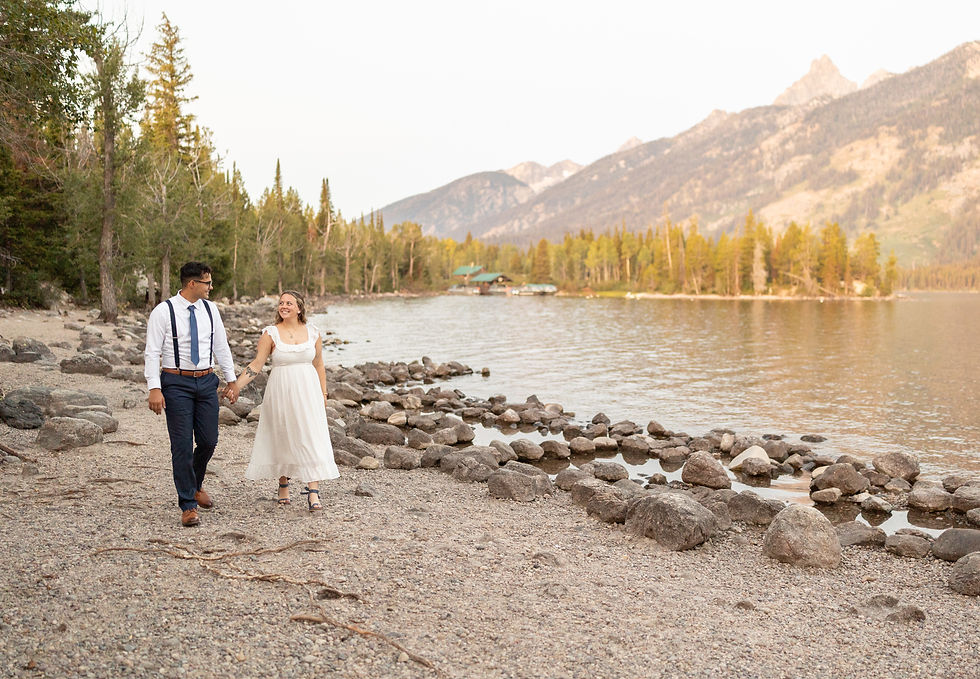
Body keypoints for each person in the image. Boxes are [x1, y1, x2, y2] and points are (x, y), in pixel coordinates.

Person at [224, 290, 339, 511]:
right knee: (283, 435)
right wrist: (236, 385)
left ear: (299, 308)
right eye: (281, 303)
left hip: (308, 391)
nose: (283, 306)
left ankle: (313, 490)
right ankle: (283, 483)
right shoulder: (270, 334)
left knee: (310, 435)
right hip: (281, 390)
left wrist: (323, 394)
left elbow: (319, 365)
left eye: (289, 303)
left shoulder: (313, 333)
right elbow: (257, 364)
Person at [144, 262, 237, 527]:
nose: (211, 287)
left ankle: (195, 484)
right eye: (207, 282)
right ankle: (188, 504)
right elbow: (152, 352)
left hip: (207, 381)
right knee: (182, 445)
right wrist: (154, 387)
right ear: (192, 284)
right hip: (176, 382)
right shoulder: (164, 311)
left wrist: (231, 380)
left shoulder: (211, 309)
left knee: (208, 441)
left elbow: (221, 345)